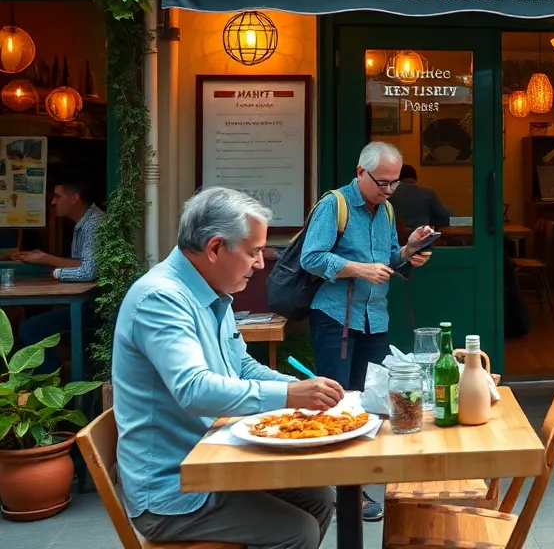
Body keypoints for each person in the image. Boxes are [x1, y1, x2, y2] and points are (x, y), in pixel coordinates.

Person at [112, 187, 343, 549]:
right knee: (297, 531)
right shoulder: (161, 298)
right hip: (173, 489)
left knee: (322, 496)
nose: (260, 263)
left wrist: (302, 393)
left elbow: (243, 367)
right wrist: (288, 394)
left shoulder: (209, 290)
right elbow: (194, 389)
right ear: (216, 247)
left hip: (216, 458)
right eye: (253, 252)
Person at [300, 141, 434, 521]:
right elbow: (312, 258)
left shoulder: (387, 209)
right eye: (382, 182)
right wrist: (360, 269)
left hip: (375, 316)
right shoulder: (334, 205)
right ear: (361, 172)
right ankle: (340, 492)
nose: (389, 189)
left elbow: (389, 260)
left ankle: (355, 486)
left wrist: (409, 250)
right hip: (335, 319)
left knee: (369, 402)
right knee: (337, 401)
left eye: (394, 183)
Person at [16, 180, 105, 374]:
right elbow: (83, 263)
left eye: (58, 197)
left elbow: (89, 270)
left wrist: (53, 267)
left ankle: (53, 382)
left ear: (74, 198)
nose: (53, 202)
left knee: (29, 329)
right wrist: (47, 259)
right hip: (87, 304)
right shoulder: (83, 223)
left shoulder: (95, 224)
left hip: (96, 309)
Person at [389, 164, 452, 234]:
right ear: (415, 178)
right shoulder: (428, 193)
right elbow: (445, 218)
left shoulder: (389, 194)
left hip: (396, 239)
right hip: (422, 239)